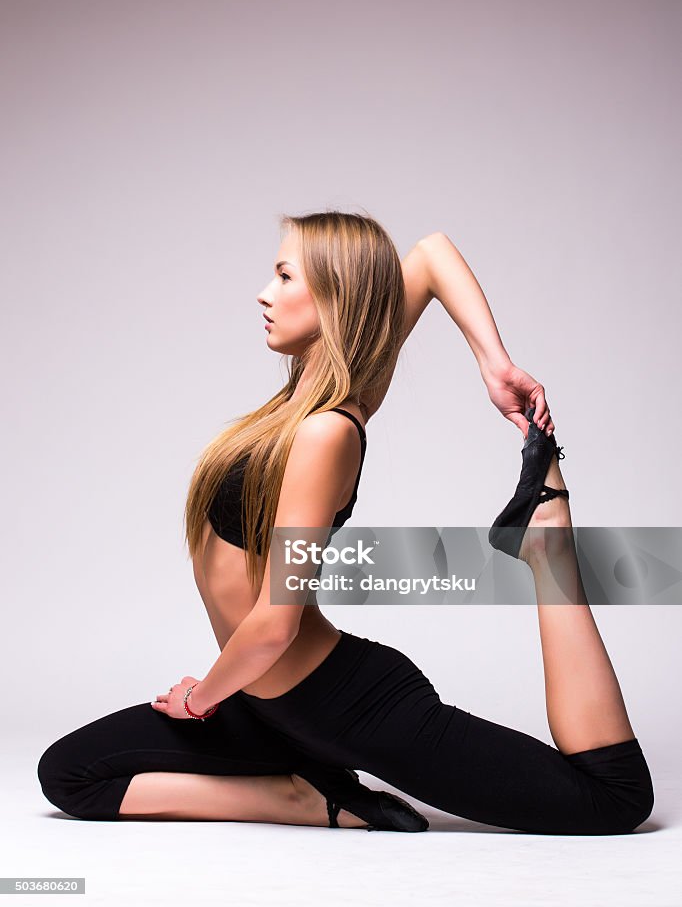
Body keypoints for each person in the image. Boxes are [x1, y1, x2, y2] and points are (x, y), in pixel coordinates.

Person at [37, 212, 654, 835]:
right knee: (68, 773)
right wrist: (496, 366)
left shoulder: (328, 429)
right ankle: (307, 797)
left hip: (346, 706)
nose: (264, 292)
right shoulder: (309, 399)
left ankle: (550, 547)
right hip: (266, 700)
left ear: (336, 297)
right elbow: (433, 254)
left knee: (612, 801)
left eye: (284, 275)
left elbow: (275, 625)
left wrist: (203, 699)